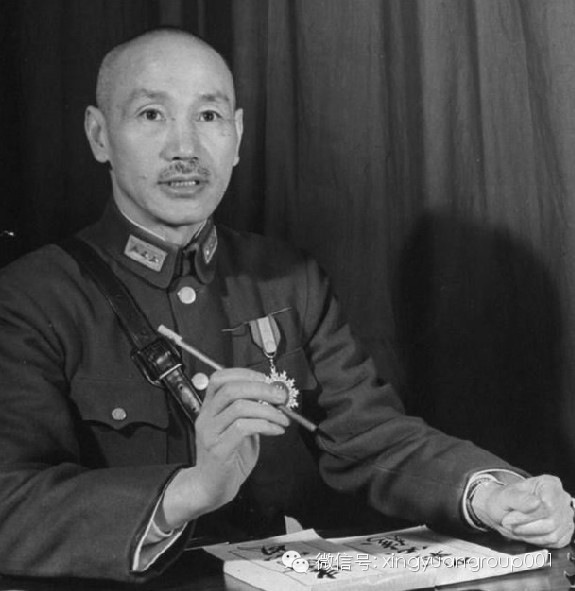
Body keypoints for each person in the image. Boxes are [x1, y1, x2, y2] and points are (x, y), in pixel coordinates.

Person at [0, 27, 572, 583]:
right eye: (152, 114)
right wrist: (190, 491)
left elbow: (368, 435)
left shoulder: (288, 279)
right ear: (99, 135)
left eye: (208, 116)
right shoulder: (30, 297)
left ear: (237, 135)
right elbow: (9, 501)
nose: (185, 148)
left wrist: (492, 494)